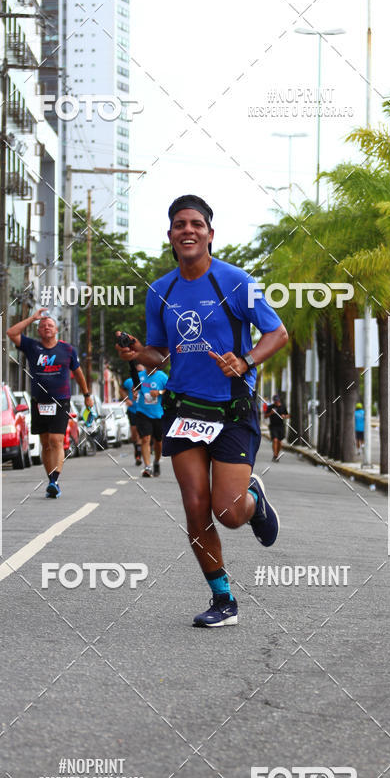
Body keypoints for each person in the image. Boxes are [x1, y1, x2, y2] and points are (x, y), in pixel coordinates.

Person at [116, 194, 288, 628]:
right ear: (170, 236)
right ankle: (223, 599)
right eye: (179, 225)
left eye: (196, 224)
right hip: (183, 409)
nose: (187, 230)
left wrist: (246, 360)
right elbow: (162, 354)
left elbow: (277, 333)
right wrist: (140, 352)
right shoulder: (161, 290)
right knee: (195, 510)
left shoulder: (236, 281)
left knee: (228, 514)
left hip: (231, 408)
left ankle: (256, 501)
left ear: (210, 234)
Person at [7, 308, 93, 497]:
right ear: (39, 331)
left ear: (56, 330)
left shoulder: (68, 350)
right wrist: (32, 318)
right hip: (39, 402)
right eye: (43, 325)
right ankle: (51, 481)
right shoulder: (32, 347)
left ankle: (55, 480)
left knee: (56, 440)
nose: (46, 327)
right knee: (45, 443)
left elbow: (78, 373)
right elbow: (11, 332)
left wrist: (87, 394)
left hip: (60, 401)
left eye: (50, 325)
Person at [133, 365, 168, 477]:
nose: (149, 368)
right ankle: (147, 467)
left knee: (158, 442)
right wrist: (134, 393)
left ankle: (156, 462)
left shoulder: (162, 376)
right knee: (145, 438)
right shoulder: (139, 376)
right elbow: (135, 389)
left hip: (159, 413)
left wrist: (159, 392)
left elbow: (170, 390)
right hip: (143, 412)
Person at [120, 364, 144, 466]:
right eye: (137, 372)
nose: (139, 374)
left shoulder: (146, 381)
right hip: (132, 410)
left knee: (140, 434)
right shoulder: (129, 381)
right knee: (134, 434)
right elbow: (121, 390)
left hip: (144, 410)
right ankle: (137, 449)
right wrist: (126, 399)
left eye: (141, 372)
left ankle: (138, 455)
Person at [265, 393, 289, 461]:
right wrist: (271, 413)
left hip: (281, 426)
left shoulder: (283, 407)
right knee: (275, 440)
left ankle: (277, 454)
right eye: (275, 401)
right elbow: (265, 416)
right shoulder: (270, 407)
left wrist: (284, 416)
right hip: (273, 426)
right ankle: (275, 455)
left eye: (277, 401)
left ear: (279, 400)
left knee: (280, 442)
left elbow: (288, 415)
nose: (276, 402)